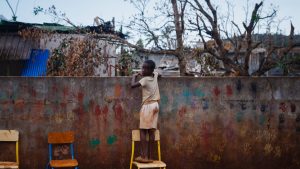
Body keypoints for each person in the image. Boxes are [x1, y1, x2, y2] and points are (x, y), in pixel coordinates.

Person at [131, 60, 161, 163]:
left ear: (150, 70)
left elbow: (132, 86)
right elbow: (158, 73)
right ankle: (151, 156)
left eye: (144, 68)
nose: (142, 70)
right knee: (152, 131)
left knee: (143, 130)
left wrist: (134, 76)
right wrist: (147, 72)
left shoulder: (145, 80)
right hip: (156, 105)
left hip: (147, 106)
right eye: (142, 68)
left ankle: (144, 157)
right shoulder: (155, 76)